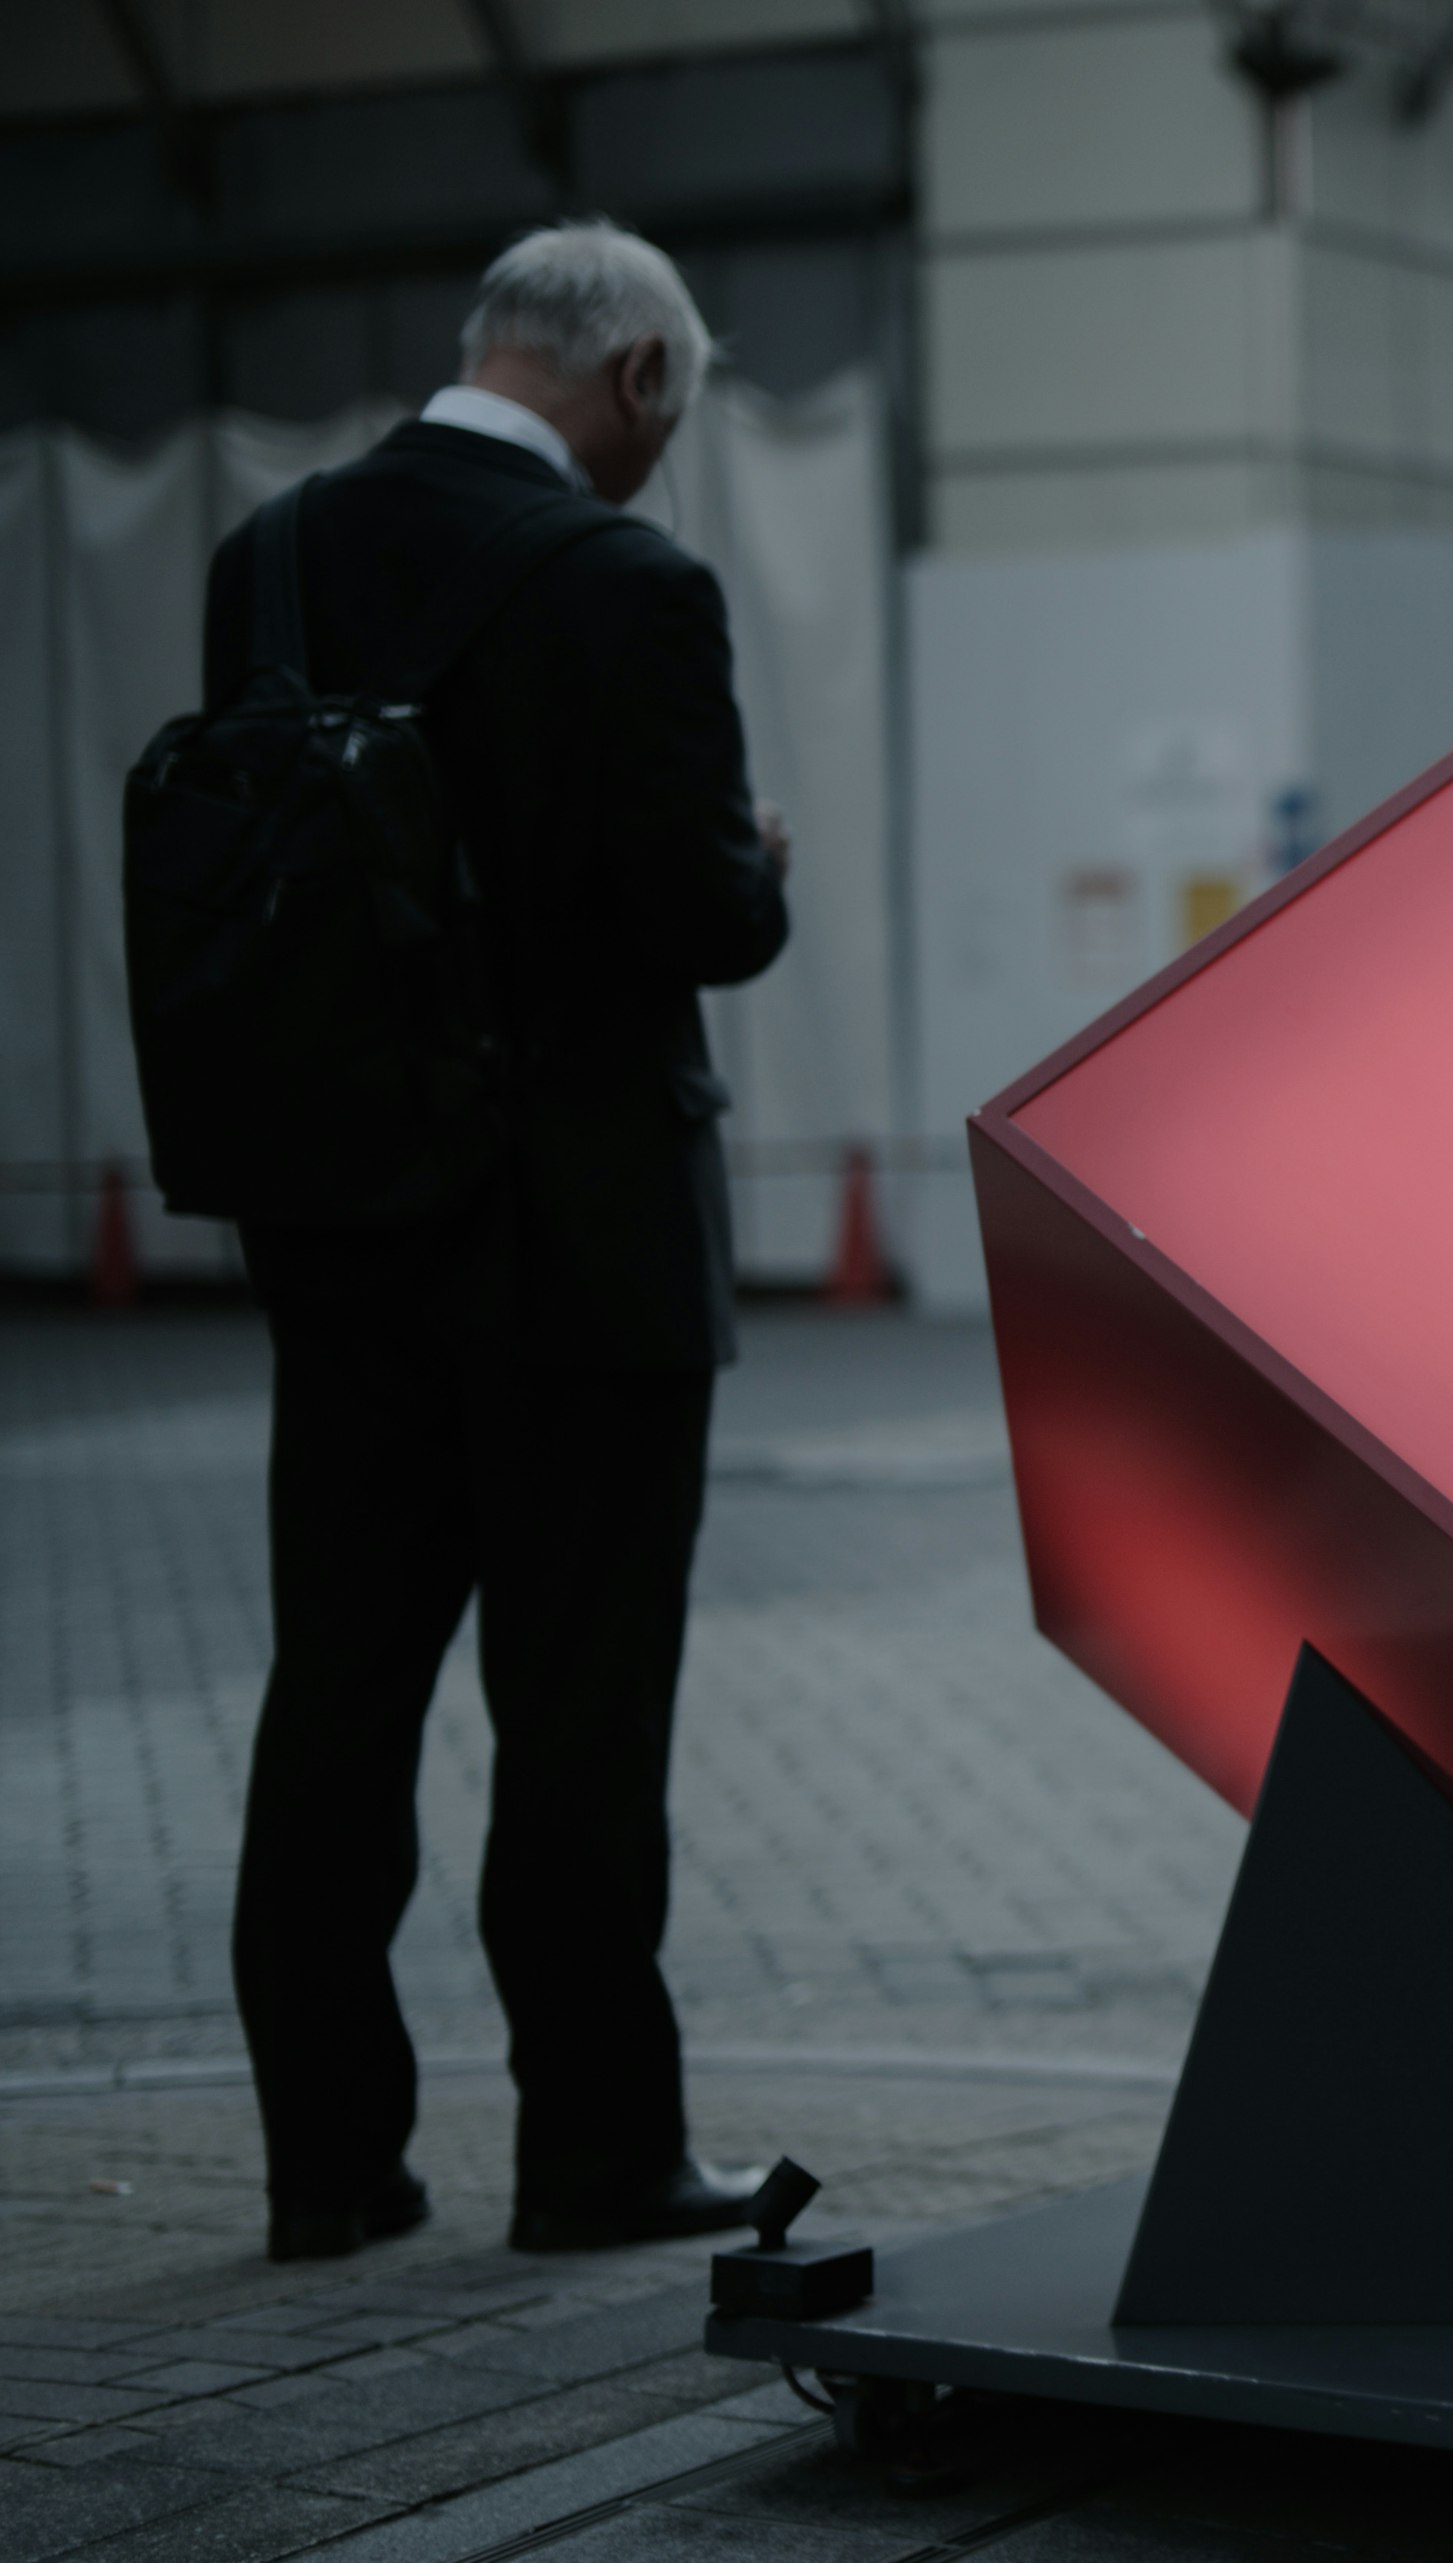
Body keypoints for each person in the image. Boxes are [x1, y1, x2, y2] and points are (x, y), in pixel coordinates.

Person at [204, 221, 791, 2261]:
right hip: (586, 1256)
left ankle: (327, 2167)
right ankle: (597, 2154)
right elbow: (704, 916)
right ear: (633, 377)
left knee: (338, 1697)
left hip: (342, 1240)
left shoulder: (268, 561)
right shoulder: (630, 587)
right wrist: (761, 861)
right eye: (668, 420)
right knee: (579, 1716)